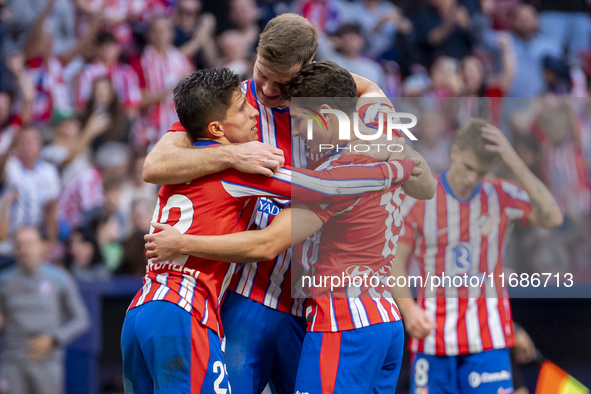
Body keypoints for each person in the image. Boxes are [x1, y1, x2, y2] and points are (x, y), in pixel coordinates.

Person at [145, 61, 436, 393]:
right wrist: (401, 159)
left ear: (325, 115)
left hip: (342, 319)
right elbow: (426, 186)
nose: (295, 132)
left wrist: (183, 243)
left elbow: (266, 244)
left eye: (299, 121)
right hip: (385, 319)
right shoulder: (385, 134)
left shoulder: (335, 175)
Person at [391, 118, 564, 393]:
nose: (472, 178)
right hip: (433, 338)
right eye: (469, 167)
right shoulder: (419, 197)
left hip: (488, 340)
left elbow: (553, 217)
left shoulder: (500, 195)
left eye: (481, 172)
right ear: (455, 151)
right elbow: (394, 261)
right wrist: (408, 309)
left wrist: (514, 159)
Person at [0, 227, 89, 394]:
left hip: (47, 362)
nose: (25, 250)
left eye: (30, 244)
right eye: (20, 245)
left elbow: (81, 319)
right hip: (13, 361)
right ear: (15, 249)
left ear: (41, 246)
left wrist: (54, 339)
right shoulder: (4, 281)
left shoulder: (59, 278)